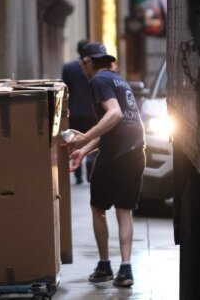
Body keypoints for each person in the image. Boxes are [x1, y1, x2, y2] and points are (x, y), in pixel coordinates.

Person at [66, 42, 146, 288]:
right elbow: (116, 126)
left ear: (89, 63)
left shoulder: (99, 81)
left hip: (116, 156)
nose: (82, 68)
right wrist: (85, 150)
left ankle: (104, 266)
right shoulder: (118, 80)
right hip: (135, 152)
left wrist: (84, 137)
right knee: (124, 210)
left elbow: (115, 115)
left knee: (97, 207)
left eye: (83, 64)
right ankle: (126, 268)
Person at [61, 39, 97, 184]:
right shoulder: (94, 67)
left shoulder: (68, 68)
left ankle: (77, 174)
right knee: (91, 137)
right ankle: (90, 162)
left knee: (75, 140)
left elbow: (65, 89)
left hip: (75, 110)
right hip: (92, 110)